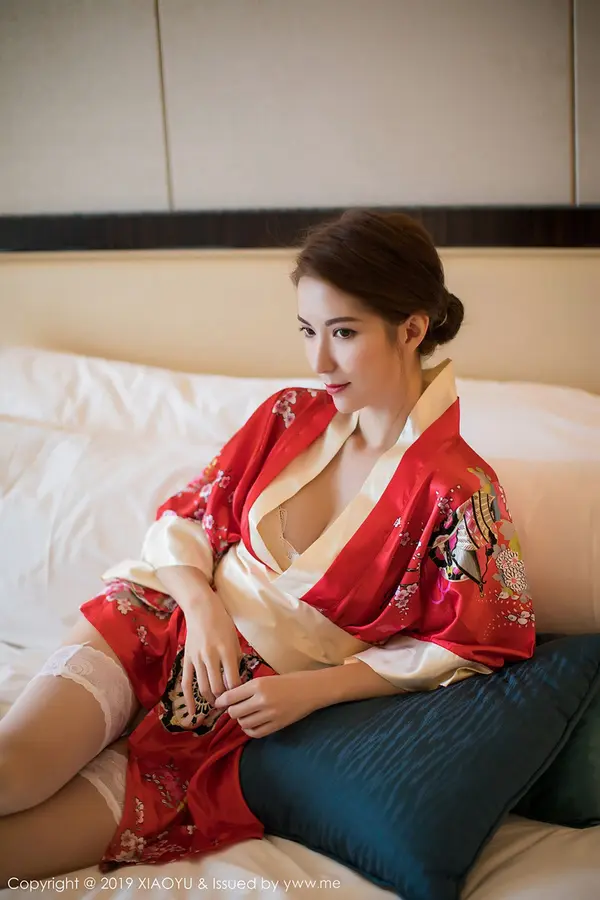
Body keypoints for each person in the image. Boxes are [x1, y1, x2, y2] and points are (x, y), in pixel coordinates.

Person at [0, 209, 535, 884]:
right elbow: (188, 515)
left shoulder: (461, 492)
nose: (318, 361)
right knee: (11, 772)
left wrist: (315, 690)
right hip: (160, 619)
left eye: (343, 333)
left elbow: (480, 643)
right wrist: (203, 608)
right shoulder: (288, 414)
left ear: (411, 328)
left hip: (233, 719)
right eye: (309, 331)